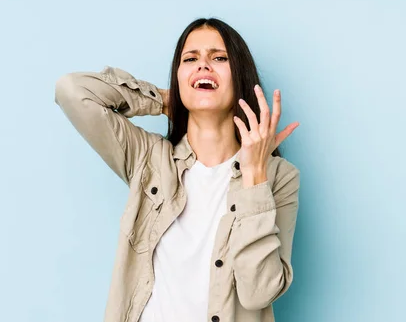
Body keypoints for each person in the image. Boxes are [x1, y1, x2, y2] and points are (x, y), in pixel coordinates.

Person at [55, 18, 301, 322]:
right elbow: (72, 90)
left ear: (240, 75)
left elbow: (258, 292)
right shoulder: (148, 158)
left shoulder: (279, 177)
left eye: (219, 58)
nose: (203, 66)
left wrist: (254, 178)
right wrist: (165, 99)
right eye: (191, 59)